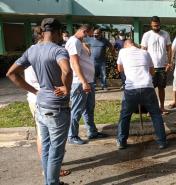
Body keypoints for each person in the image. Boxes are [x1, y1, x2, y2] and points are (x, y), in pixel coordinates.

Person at [7, 18, 72, 185]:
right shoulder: (59, 51)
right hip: (57, 107)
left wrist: (35, 91)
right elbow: (66, 70)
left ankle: (50, 181)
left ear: (43, 32)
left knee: (45, 146)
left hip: (41, 104)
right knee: (56, 151)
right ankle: (52, 183)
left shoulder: (32, 50)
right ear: (58, 32)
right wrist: (66, 87)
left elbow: (11, 74)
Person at [116, 39, 167, 149]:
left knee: (125, 115)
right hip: (147, 87)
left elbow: (119, 69)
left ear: (125, 45)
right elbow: (152, 72)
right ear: (134, 44)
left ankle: (121, 142)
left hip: (131, 88)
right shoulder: (145, 52)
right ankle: (162, 141)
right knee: (156, 114)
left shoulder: (122, 52)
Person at [65, 24, 108, 145]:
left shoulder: (79, 42)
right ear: (84, 31)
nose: (89, 37)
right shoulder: (73, 42)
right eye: (89, 34)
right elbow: (74, 63)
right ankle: (72, 135)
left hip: (88, 81)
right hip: (80, 83)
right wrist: (83, 81)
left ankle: (92, 132)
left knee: (89, 108)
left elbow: (84, 58)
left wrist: (85, 47)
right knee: (77, 110)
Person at [141, 16, 172, 115]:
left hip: (163, 66)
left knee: (161, 88)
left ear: (160, 24)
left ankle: (162, 107)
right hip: (151, 67)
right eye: (154, 26)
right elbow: (143, 51)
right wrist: (143, 65)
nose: (156, 27)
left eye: (157, 25)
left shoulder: (165, 34)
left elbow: (169, 49)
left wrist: (170, 63)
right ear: (151, 25)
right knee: (151, 88)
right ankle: (151, 109)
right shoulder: (147, 35)